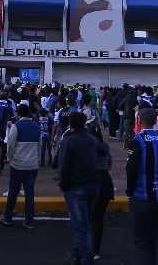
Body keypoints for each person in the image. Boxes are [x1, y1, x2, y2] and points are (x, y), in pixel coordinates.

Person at [126, 107, 158, 265]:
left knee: (141, 244)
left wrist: (129, 191)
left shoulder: (138, 140)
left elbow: (131, 170)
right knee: (152, 242)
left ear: (139, 121)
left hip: (141, 197)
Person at [59, 111, 98, 265]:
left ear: (71, 124)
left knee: (81, 227)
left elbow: (63, 166)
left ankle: (86, 259)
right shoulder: (91, 139)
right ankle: (77, 254)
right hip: (92, 184)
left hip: (76, 187)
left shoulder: (69, 140)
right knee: (85, 223)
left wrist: (63, 184)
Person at [2, 103, 40, 228]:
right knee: (30, 194)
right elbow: (39, 147)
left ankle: (8, 217)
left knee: (13, 192)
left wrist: (10, 158)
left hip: (18, 165)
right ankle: (29, 220)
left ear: (18, 114)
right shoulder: (36, 126)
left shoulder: (16, 126)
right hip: (32, 165)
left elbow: (10, 146)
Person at [90, 127, 115, 261]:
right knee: (99, 219)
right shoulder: (105, 148)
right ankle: (96, 250)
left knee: (89, 218)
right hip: (106, 183)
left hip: (92, 182)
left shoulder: (89, 148)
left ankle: (88, 248)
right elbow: (109, 164)